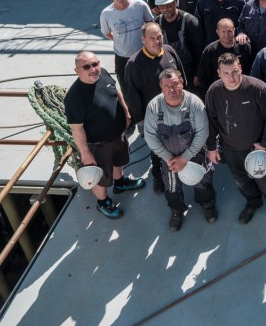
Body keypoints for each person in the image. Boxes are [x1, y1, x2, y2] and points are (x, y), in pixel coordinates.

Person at [204, 53, 266, 229]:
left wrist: (264, 145)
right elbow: (211, 121)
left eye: (234, 71)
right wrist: (211, 147)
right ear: (219, 73)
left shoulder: (258, 88)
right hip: (231, 150)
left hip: (257, 149)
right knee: (241, 182)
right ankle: (254, 202)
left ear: (240, 68)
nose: (231, 77)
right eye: (226, 73)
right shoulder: (214, 92)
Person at [65, 51, 144, 219]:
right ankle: (103, 201)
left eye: (95, 64)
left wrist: (125, 111)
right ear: (77, 70)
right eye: (87, 67)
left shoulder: (104, 74)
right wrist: (85, 154)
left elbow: (115, 92)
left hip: (117, 135)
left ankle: (120, 182)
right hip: (98, 145)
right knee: (100, 176)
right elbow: (77, 129)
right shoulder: (74, 97)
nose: (93, 69)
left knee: (118, 161)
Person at [143, 69, 217, 231]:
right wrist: (168, 157)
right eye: (167, 86)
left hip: (195, 154)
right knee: (171, 187)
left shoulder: (194, 103)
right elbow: (150, 136)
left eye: (175, 84)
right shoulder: (154, 106)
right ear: (161, 87)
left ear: (182, 83)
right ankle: (176, 211)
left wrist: (185, 157)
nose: (171, 89)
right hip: (168, 158)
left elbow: (202, 133)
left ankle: (208, 206)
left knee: (203, 181)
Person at [121, 22, 187, 193]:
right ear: (143, 40)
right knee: (158, 151)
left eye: (159, 37)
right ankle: (158, 177)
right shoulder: (134, 65)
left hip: (178, 112)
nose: (157, 41)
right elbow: (133, 97)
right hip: (155, 119)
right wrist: (141, 124)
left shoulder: (169, 51)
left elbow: (181, 78)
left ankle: (183, 170)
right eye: (152, 38)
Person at [100, 0, 154, 87]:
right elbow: (107, 33)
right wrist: (121, 39)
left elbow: (151, 25)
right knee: (127, 89)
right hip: (122, 59)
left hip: (144, 55)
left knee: (149, 86)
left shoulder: (140, 5)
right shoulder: (106, 14)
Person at [152, 0, 202, 83]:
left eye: (169, 5)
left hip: (190, 74)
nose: (166, 9)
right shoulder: (157, 23)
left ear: (176, 2)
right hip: (168, 74)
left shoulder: (190, 22)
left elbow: (200, 51)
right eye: (162, 6)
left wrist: (198, 74)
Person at [196, 18, 252, 96]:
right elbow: (203, 78)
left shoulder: (244, 47)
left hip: (243, 92)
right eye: (223, 32)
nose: (226, 35)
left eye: (229, 31)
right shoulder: (210, 51)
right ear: (217, 32)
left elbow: (252, 72)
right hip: (219, 95)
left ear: (234, 30)